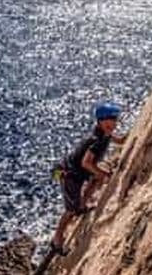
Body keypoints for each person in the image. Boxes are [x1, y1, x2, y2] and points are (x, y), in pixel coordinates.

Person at [50, 103, 126, 256]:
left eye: (115, 118)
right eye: (111, 119)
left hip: (76, 171)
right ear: (101, 121)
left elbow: (119, 140)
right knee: (71, 210)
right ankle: (56, 240)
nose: (115, 122)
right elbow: (86, 162)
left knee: (96, 178)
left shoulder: (105, 134)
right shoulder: (96, 140)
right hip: (66, 173)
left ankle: (82, 205)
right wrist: (104, 175)